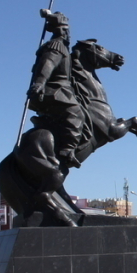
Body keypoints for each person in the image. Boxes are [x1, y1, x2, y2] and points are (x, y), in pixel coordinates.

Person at [26, 9, 85, 169]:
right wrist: (39, 83)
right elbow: (48, 64)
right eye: (64, 29)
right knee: (77, 114)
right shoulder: (57, 45)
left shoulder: (63, 47)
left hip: (58, 89)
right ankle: (67, 150)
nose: (67, 33)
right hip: (55, 90)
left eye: (67, 29)